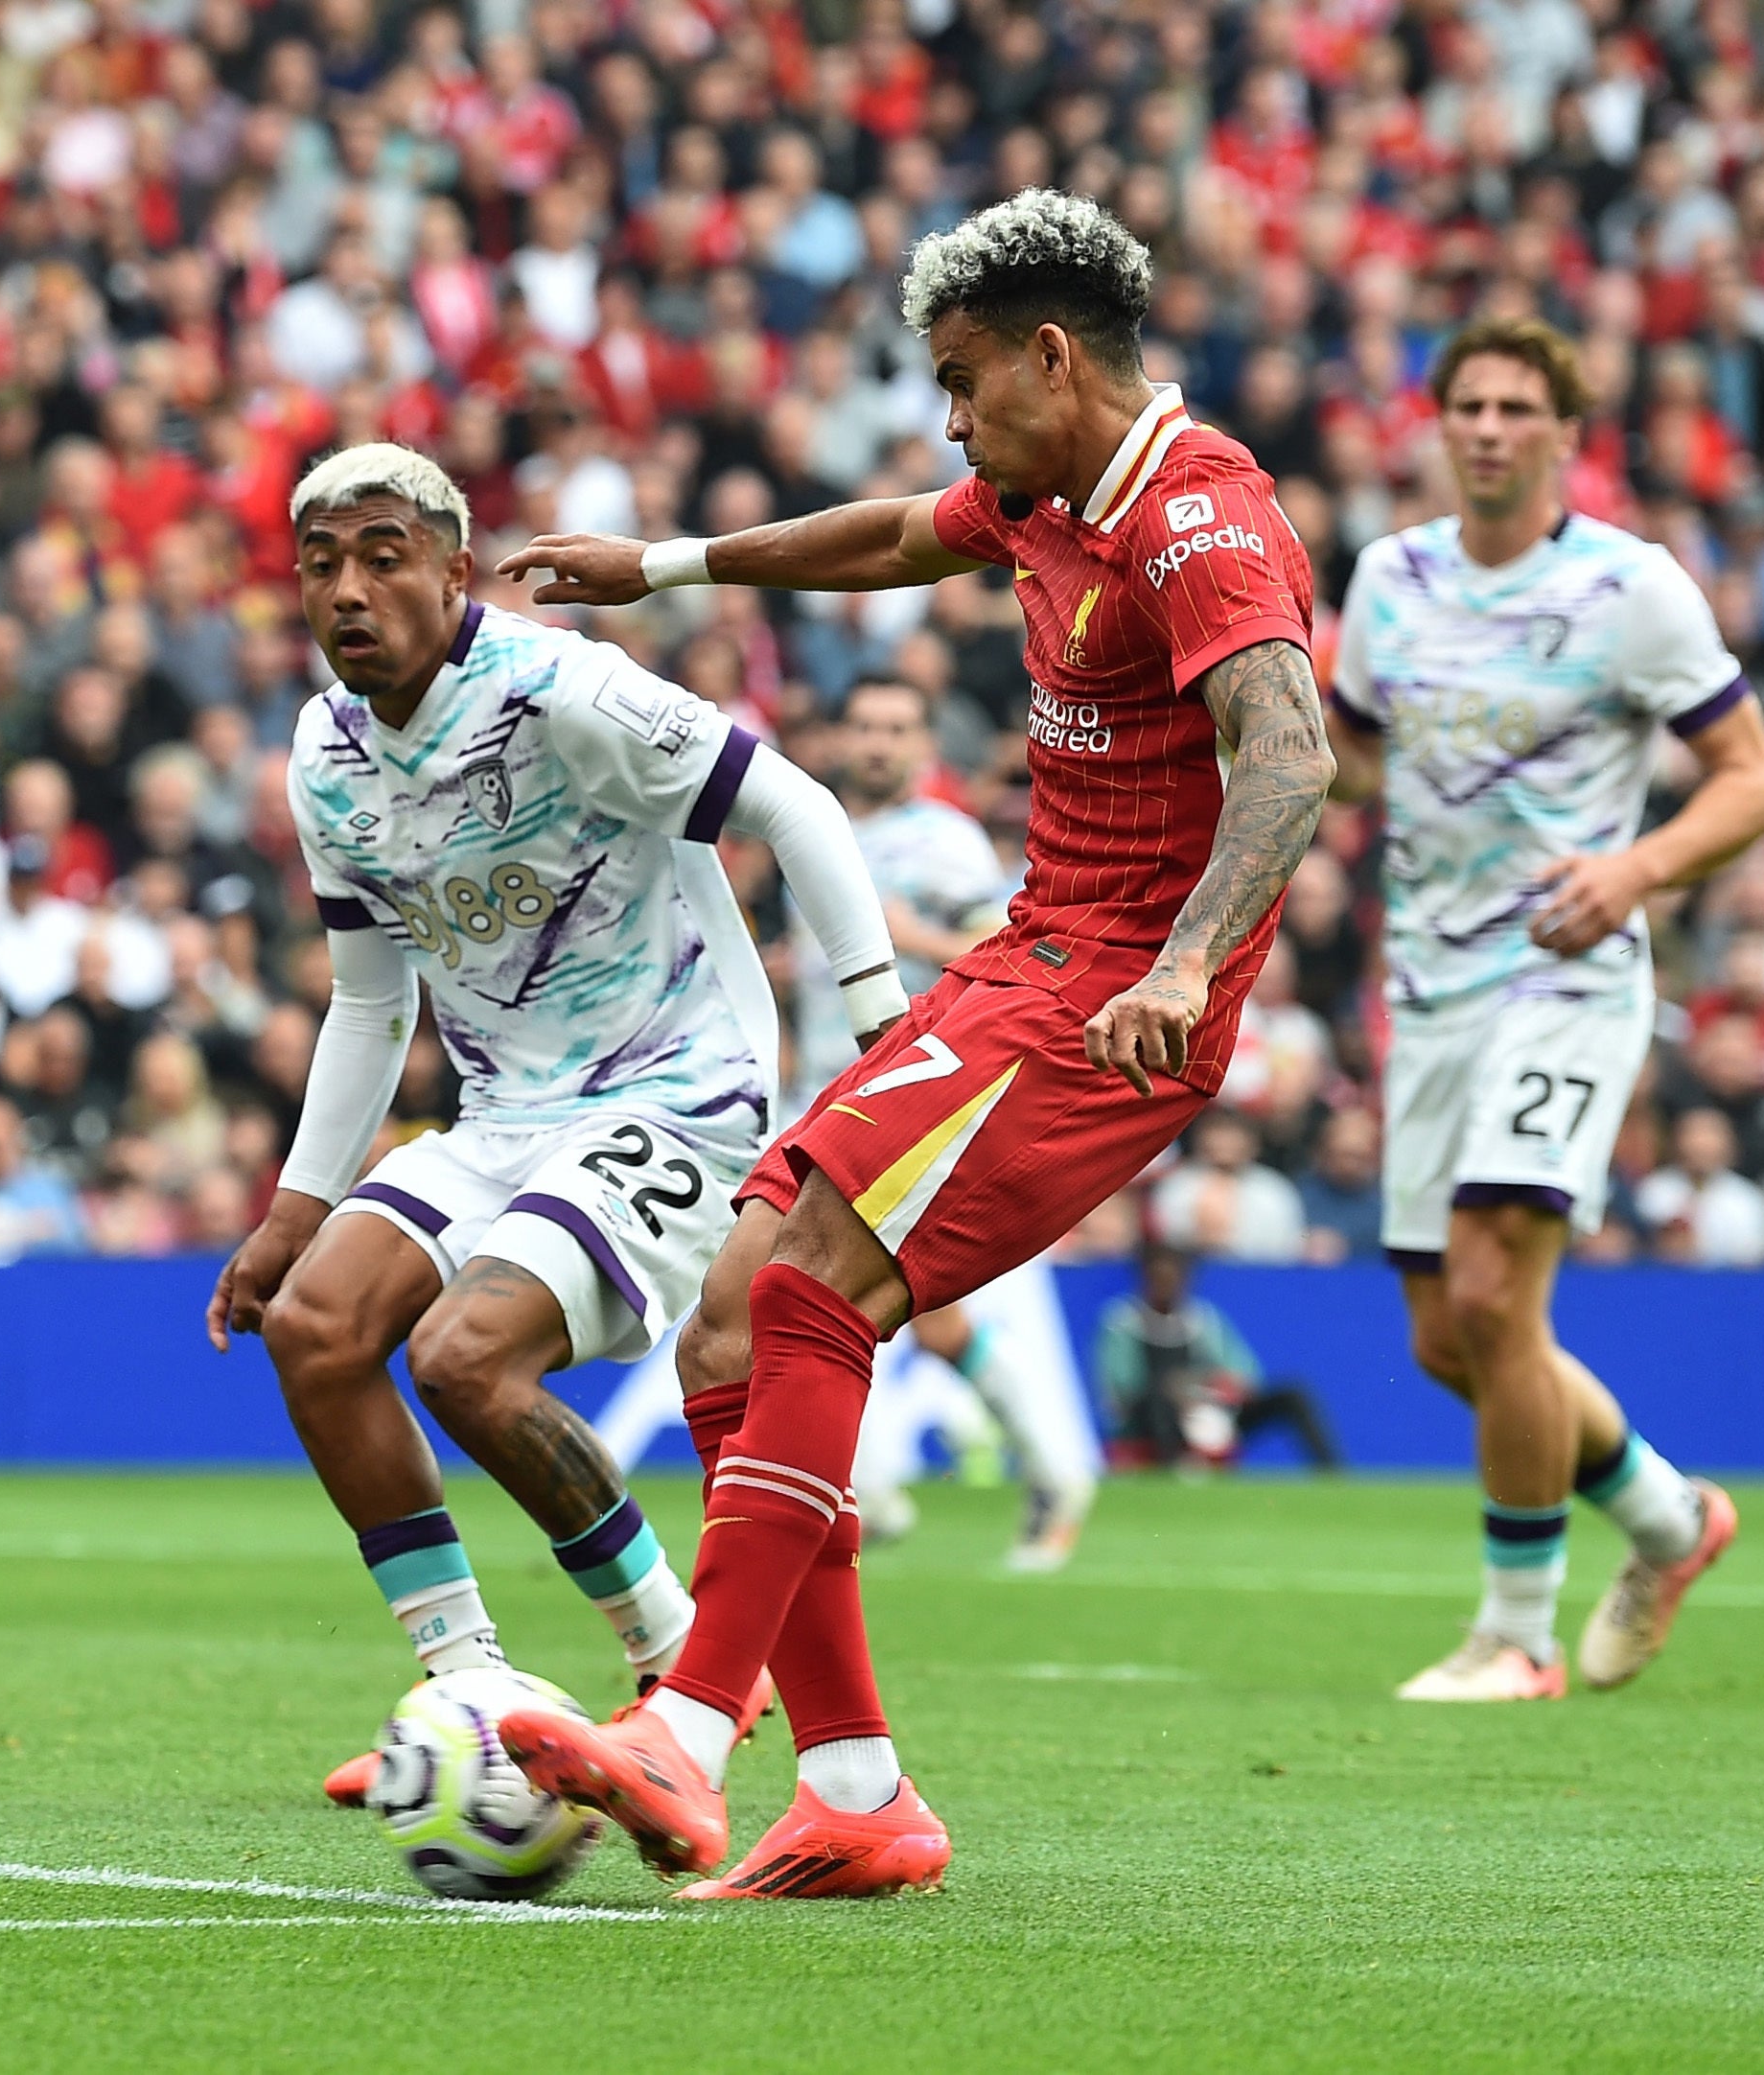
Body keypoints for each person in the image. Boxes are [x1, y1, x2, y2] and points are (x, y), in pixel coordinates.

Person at [490, 190, 1333, 1897]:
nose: (949, 420)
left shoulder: (1194, 516)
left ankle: (690, 1725)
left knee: (810, 1282)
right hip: (1031, 956)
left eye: (960, 380)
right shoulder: (1046, 494)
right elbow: (893, 535)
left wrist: (1181, 967)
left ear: (1048, 355)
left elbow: (1293, 750)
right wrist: (656, 569)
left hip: (1112, 1000)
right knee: (733, 1306)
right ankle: (858, 1783)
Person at [205, 444, 901, 1807]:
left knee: (465, 1357)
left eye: (384, 555)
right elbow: (366, 1000)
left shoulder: (561, 690)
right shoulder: (326, 756)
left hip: (675, 1086)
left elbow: (793, 806)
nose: (349, 590)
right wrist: (295, 1207)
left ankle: (681, 1664)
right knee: (318, 1327)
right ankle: (468, 1683)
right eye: (321, 565)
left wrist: (884, 1027)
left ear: (455, 569)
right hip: (507, 1109)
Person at [1324, 317, 1764, 1703]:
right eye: (1464, 403)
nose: (1483, 426)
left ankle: (1514, 1634)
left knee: (1491, 1289)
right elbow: (1352, 761)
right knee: (1445, 1335)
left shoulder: (1630, 590)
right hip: (1429, 983)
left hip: (1567, 973)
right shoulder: (1387, 579)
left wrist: (1637, 868)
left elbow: (1756, 779)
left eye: (1514, 406)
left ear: (1563, 433)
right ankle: (1666, 1517)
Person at [807, 678, 1100, 1571]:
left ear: (926, 742)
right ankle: (1035, 1471)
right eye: (864, 724)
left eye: (898, 727)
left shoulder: (945, 840)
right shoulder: (819, 829)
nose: (878, 743)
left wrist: (908, 936)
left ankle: (867, 1489)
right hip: (826, 1082)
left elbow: (1006, 953)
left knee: (832, 1291)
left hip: (910, 1089)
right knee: (877, 1305)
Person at [1095, 1239, 1340, 1471]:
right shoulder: (1123, 1322)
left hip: (1209, 1409)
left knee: (1292, 1395)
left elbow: (1246, 1373)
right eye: (1158, 1277)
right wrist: (1177, 1393)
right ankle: (1174, 1471)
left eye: (1173, 1276)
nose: (1166, 1284)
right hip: (1149, 1419)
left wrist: (1211, 1389)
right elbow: (1125, 1386)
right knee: (1157, 1398)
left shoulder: (1203, 1320)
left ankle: (1333, 1476)